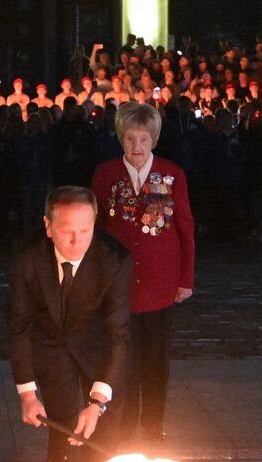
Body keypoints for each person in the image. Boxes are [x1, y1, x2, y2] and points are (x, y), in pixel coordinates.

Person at [8, 186, 132, 462]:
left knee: (102, 445)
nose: (77, 240)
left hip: (97, 350)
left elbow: (118, 335)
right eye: (66, 231)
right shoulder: (28, 260)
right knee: (66, 448)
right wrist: (28, 394)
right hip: (51, 349)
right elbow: (19, 328)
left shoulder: (114, 260)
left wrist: (97, 402)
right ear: (48, 227)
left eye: (85, 230)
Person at [90, 101, 195, 443]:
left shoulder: (172, 174)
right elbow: (96, 230)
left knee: (155, 359)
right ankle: (121, 428)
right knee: (121, 359)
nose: (137, 147)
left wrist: (185, 279)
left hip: (159, 284)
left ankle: (152, 425)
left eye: (144, 139)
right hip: (118, 285)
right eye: (130, 139)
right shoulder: (106, 174)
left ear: (154, 140)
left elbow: (185, 229)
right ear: (121, 138)